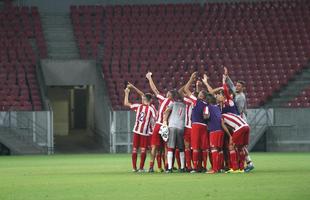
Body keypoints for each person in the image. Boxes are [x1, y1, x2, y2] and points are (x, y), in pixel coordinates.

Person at [224, 67, 254, 172]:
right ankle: (246, 163)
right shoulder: (237, 93)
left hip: (240, 120)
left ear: (243, 88)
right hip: (239, 120)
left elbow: (239, 110)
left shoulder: (240, 97)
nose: (236, 87)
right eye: (237, 85)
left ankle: (247, 163)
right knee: (240, 145)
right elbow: (231, 86)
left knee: (240, 145)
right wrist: (227, 76)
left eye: (239, 86)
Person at [146, 72, 175, 172]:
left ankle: (151, 167)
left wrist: (149, 78)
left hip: (159, 125)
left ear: (169, 95)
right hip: (166, 126)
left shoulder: (163, 99)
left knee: (154, 147)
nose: (167, 93)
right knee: (166, 148)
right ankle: (167, 167)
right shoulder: (174, 104)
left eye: (168, 93)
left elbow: (154, 89)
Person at [123, 85, 156, 172]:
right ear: (151, 100)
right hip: (144, 132)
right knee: (143, 150)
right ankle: (141, 168)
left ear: (144, 99)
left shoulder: (138, 106)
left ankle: (134, 168)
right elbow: (155, 120)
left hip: (136, 130)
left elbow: (126, 103)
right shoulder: (151, 109)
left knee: (134, 149)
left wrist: (126, 93)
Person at [184, 72, 209, 173]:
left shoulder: (196, 101)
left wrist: (190, 79)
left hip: (195, 125)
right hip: (204, 126)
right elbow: (206, 116)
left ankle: (195, 167)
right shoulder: (206, 104)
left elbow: (186, 89)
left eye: (199, 93)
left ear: (201, 96)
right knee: (203, 148)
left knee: (195, 147)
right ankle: (203, 166)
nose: (198, 93)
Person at [205, 94, 232, 174]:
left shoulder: (207, 107)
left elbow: (206, 116)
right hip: (221, 131)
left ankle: (215, 169)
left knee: (214, 149)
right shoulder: (217, 108)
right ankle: (220, 168)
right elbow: (221, 121)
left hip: (214, 130)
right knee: (219, 150)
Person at [162, 94, 186, 173]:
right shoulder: (186, 105)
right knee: (181, 148)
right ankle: (182, 168)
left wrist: (165, 122)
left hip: (172, 126)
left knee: (170, 148)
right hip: (181, 127)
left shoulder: (173, 103)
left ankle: (169, 168)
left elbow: (166, 112)